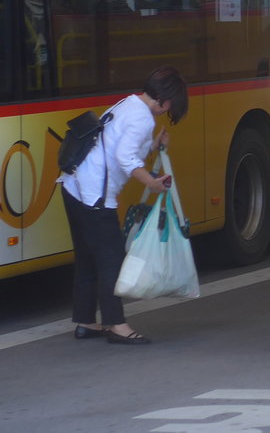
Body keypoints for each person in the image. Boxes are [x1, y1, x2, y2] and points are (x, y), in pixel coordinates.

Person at [60, 66, 189, 346]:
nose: (168, 110)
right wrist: (152, 183)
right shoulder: (142, 118)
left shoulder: (128, 103)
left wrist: (153, 146)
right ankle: (117, 325)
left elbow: (117, 145)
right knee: (112, 260)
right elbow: (125, 157)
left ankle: (85, 321)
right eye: (171, 105)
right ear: (165, 100)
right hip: (94, 195)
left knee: (87, 258)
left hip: (73, 185)